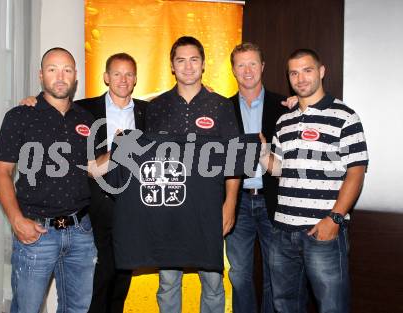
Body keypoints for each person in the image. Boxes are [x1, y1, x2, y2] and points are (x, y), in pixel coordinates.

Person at [19, 52, 148, 313]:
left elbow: (174, 111)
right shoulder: (86, 109)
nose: (123, 80)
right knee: (93, 283)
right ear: (105, 77)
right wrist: (32, 100)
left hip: (135, 206)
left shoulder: (149, 111)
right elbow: (56, 99)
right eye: (116, 73)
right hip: (93, 208)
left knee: (122, 277)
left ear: (135, 79)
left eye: (128, 74)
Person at [0, 47, 109, 313]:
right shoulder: (20, 115)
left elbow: (93, 169)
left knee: (77, 309)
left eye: (67, 70)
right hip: (36, 232)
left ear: (75, 76)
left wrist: (120, 150)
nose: (60, 76)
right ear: (41, 75)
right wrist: (16, 220)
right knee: (27, 308)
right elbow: (2, 172)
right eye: (53, 69)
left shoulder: (86, 119)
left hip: (80, 232)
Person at [261, 48, 368, 313]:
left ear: (321, 72)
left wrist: (335, 219)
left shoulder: (345, 116)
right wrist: (262, 153)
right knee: (284, 305)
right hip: (281, 231)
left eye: (307, 70)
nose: (301, 78)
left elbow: (356, 172)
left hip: (322, 232)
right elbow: (280, 170)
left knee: (332, 307)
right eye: (294, 73)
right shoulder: (283, 121)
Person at [144, 36, 240, 313]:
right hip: (168, 206)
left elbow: (233, 159)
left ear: (204, 64)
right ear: (172, 66)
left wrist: (230, 204)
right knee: (168, 282)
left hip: (209, 209)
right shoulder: (155, 107)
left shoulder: (221, 106)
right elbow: (148, 163)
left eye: (194, 59)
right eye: (181, 60)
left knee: (212, 282)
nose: (188, 66)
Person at [225, 42, 288, 313]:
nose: (247, 70)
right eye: (241, 64)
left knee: (275, 276)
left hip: (273, 201)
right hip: (237, 204)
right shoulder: (222, 108)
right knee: (239, 275)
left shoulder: (284, 106)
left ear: (262, 67)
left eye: (253, 63)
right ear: (233, 70)